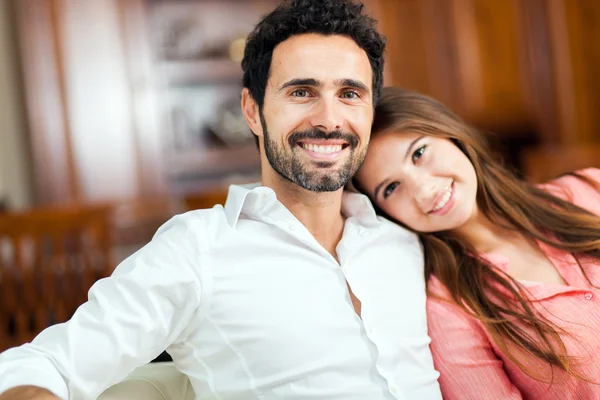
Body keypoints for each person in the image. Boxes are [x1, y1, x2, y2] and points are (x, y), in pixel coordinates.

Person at [0, 2, 442, 400]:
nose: (329, 120)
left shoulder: (406, 236)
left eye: (350, 94)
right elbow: (48, 362)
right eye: (301, 92)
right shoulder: (199, 249)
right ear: (252, 111)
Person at [352, 86, 600, 399]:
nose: (424, 190)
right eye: (391, 188)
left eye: (419, 153)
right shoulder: (450, 309)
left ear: (449, 133)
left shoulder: (588, 190)